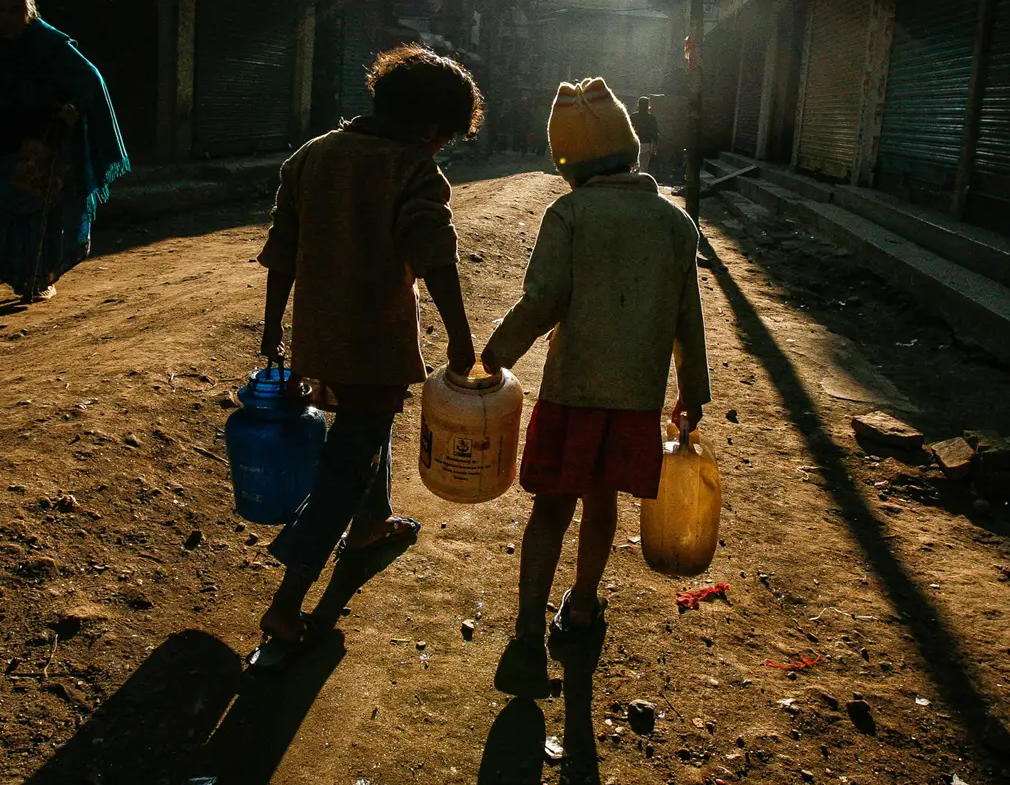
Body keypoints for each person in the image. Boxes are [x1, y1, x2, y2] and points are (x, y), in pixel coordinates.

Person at [249, 45, 483, 672]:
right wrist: (461, 341)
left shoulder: (312, 157)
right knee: (348, 459)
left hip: (317, 341)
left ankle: (372, 524)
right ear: (433, 130)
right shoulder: (414, 171)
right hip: (375, 345)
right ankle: (287, 601)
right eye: (445, 139)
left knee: (362, 433)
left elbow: (283, 251)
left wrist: (274, 330)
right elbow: (434, 256)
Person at [481, 77, 710, 695]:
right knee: (602, 501)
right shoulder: (673, 223)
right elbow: (688, 317)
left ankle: (529, 632)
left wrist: (496, 354)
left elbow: (542, 300)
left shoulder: (570, 213)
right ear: (632, 151)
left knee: (550, 509)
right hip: (635, 399)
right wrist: (692, 391)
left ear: (568, 163)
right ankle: (582, 605)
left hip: (572, 392)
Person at [0, 0, 129, 302]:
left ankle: (35, 277)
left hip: (44, 137)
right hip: (2, 139)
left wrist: (75, 109)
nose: (8, 19)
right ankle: (14, 271)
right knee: (7, 206)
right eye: (2, 11)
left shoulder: (52, 44)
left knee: (40, 210)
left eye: (17, 11)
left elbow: (91, 79)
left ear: (31, 13)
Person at [632, 94, 660, 175]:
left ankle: (633, 180)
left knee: (634, 165)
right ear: (648, 105)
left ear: (638, 104)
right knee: (644, 166)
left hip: (635, 143)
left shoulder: (633, 116)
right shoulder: (651, 118)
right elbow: (655, 133)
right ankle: (641, 182)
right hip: (646, 143)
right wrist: (655, 145)